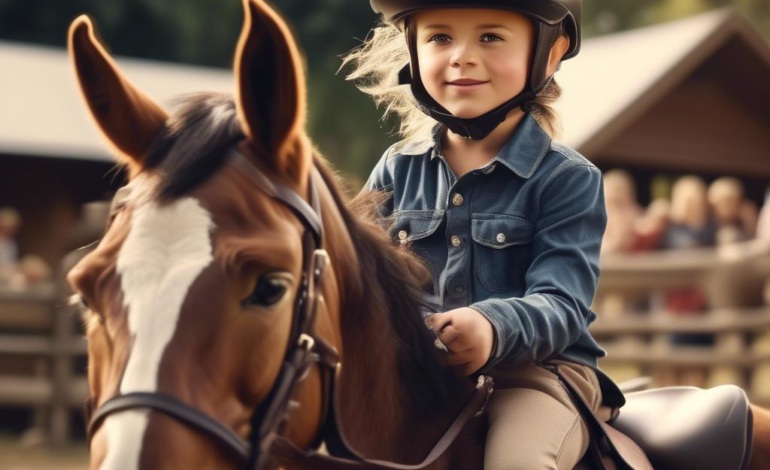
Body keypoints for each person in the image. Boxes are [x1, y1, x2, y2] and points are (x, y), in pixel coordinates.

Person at [343, 2, 625, 469]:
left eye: (490, 37)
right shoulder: (396, 167)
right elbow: (359, 277)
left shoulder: (568, 179)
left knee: (516, 463)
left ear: (549, 54)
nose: (461, 57)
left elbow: (563, 303)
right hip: (415, 375)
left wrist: (493, 327)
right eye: (439, 38)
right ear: (413, 53)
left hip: (535, 377)